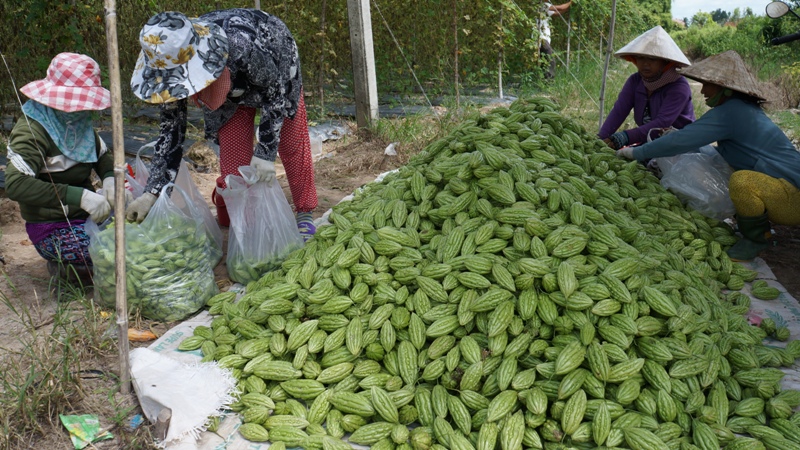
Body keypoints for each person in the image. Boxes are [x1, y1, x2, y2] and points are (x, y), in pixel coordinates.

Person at [128, 9, 318, 241]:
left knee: (290, 141)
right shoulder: (167, 62)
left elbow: (275, 91)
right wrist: (151, 192)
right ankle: (248, 225)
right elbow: (170, 135)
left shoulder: (241, 45)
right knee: (233, 163)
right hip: (228, 90)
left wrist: (266, 151)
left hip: (274, 65)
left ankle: (305, 210)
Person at [616, 50, 800, 262]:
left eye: (708, 84)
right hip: (782, 191)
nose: (702, 90)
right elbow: (703, 145)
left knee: (742, 181)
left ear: (726, 89)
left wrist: (634, 152)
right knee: (721, 164)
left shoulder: (732, 112)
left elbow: (682, 141)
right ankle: (759, 228)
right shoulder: (742, 109)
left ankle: (755, 239)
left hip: (792, 197)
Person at [5, 52, 122, 282]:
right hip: (52, 225)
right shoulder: (32, 130)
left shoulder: (77, 122)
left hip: (89, 216)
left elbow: (101, 155)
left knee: (137, 234)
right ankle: (64, 268)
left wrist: (109, 179)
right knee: (110, 252)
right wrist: (79, 197)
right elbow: (15, 184)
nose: (82, 110)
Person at [599, 26, 695, 150]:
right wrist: (600, 139)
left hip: (678, 146)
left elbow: (662, 124)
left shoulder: (678, 87)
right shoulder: (636, 81)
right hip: (649, 142)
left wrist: (625, 137)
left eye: (652, 59)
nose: (645, 64)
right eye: (641, 58)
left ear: (665, 62)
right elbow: (619, 111)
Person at [537, 0, 572, 79]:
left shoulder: (544, 7)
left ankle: (543, 81)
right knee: (550, 59)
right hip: (541, 38)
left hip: (543, 38)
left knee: (544, 60)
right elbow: (560, 7)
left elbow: (557, 13)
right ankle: (549, 81)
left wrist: (568, 7)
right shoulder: (543, 5)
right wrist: (571, 2)